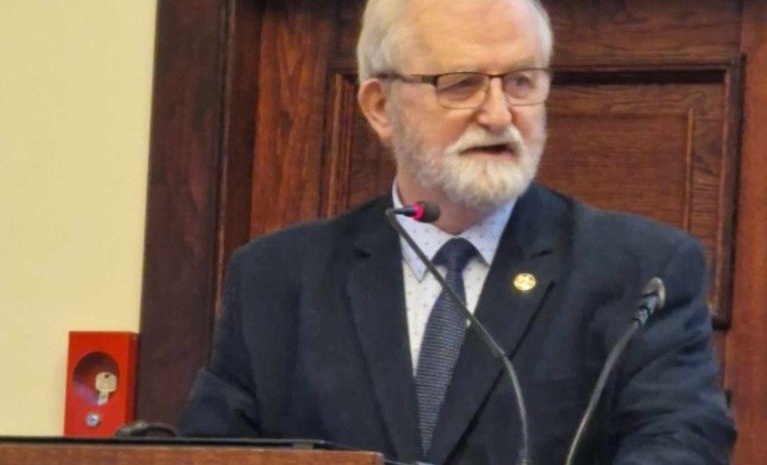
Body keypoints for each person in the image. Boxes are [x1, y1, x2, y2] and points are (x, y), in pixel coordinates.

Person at [178, 0, 736, 463]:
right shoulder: (277, 279)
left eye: (520, 82)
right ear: (379, 107)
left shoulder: (640, 272)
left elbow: (683, 443)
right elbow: (210, 453)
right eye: (461, 85)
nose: (498, 115)